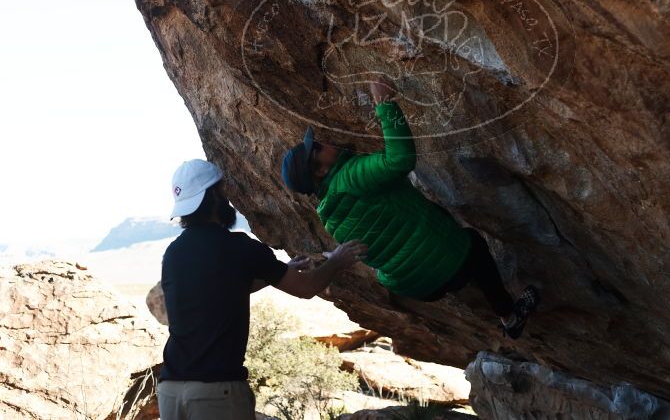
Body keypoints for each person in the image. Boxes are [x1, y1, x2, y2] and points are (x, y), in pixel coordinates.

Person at [281, 78, 539, 339]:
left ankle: (465, 282)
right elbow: (399, 160)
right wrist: (385, 104)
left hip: (419, 289)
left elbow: (374, 254)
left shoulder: (329, 216)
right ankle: (510, 317)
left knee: (444, 258)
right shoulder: (349, 178)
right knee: (473, 245)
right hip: (446, 264)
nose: (322, 142)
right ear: (321, 170)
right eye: (316, 148)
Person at [157, 159, 367, 420]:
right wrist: (337, 261)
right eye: (223, 191)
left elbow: (219, 291)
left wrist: (276, 273)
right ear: (213, 197)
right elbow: (307, 288)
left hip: (170, 390)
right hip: (215, 392)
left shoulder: (174, 253)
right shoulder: (239, 247)